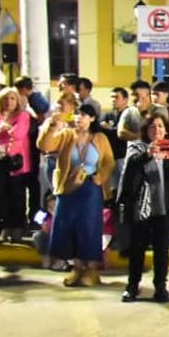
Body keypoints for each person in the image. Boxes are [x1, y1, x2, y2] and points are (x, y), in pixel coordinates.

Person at [38, 102, 115, 288]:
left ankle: (91, 269)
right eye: (78, 114)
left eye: (84, 115)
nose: (80, 118)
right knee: (67, 227)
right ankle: (77, 267)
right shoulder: (66, 135)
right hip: (68, 187)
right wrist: (51, 125)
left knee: (88, 227)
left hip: (90, 188)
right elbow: (45, 145)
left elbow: (108, 161)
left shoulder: (100, 138)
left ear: (92, 118)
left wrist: (100, 177)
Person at [116, 114, 169, 302]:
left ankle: (160, 287)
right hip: (142, 207)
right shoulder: (137, 148)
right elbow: (131, 167)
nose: (157, 130)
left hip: (164, 208)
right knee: (137, 248)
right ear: (146, 130)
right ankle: (132, 285)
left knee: (161, 250)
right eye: (153, 127)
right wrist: (148, 154)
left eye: (161, 126)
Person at [0, 87, 32, 242]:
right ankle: (6, 226)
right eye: (6, 99)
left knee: (17, 195)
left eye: (12, 98)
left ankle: (18, 227)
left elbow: (18, 134)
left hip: (15, 162)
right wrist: (0, 128)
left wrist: (3, 130)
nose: (9, 102)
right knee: (0, 195)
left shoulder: (23, 116)